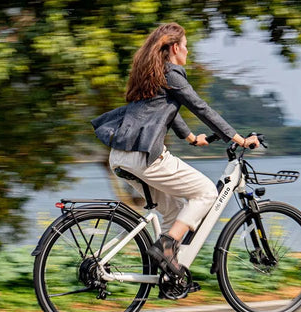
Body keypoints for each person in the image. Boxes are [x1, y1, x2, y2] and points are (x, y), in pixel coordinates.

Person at [92, 22, 259, 279]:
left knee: (173, 212)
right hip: (144, 156)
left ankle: (170, 274)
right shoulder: (172, 73)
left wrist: (192, 138)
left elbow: (164, 110)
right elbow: (201, 108)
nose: (188, 52)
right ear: (174, 47)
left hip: (120, 156)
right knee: (205, 193)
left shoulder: (151, 74)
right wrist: (239, 139)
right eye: (186, 47)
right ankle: (166, 246)